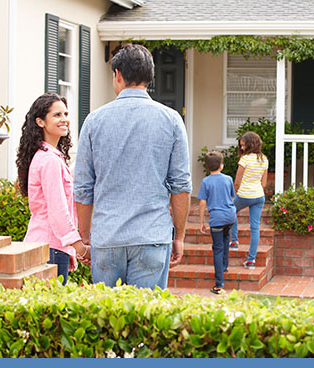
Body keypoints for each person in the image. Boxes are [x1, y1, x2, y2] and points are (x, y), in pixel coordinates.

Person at [74, 44, 191, 289]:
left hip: (108, 237)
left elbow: (84, 187)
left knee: (107, 320)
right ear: (150, 76)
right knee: (146, 321)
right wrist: (179, 236)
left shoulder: (94, 120)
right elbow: (180, 186)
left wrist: (85, 236)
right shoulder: (171, 120)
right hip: (152, 235)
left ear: (117, 74)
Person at [16, 92, 89, 285]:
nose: (64, 119)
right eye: (57, 115)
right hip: (50, 248)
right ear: (40, 122)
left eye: (65, 114)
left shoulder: (48, 156)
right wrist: (79, 246)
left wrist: (69, 250)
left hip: (48, 246)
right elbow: (57, 212)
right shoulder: (49, 161)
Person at [197, 151, 237, 294]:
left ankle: (219, 284)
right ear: (221, 165)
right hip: (230, 216)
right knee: (226, 239)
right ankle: (224, 266)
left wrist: (202, 221)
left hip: (217, 219)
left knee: (218, 248)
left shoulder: (206, 182)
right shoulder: (228, 179)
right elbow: (232, 197)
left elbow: (202, 202)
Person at [230, 131, 268, 269]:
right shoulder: (264, 159)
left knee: (231, 211)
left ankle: (234, 241)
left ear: (250, 144)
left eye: (244, 145)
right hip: (258, 196)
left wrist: (235, 193)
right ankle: (251, 260)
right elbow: (264, 183)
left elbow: (237, 181)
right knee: (255, 228)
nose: (242, 148)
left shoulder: (245, 159)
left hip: (244, 195)